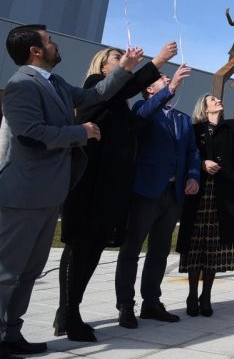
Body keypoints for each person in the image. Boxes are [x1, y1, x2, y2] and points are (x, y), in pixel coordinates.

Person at [0, 24, 137, 357]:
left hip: (49, 194)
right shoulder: (21, 85)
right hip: (23, 195)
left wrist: (125, 68)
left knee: (30, 271)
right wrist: (82, 131)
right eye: (49, 41)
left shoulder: (57, 83)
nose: (55, 45)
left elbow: (95, 95)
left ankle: (11, 334)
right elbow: (31, 134)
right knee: (7, 271)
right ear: (35, 51)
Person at [54, 42, 178, 341]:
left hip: (109, 185)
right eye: (116, 57)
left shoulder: (117, 102)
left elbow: (136, 121)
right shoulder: (96, 85)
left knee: (92, 248)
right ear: (102, 66)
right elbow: (127, 87)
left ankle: (69, 311)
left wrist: (167, 91)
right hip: (90, 182)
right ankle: (69, 313)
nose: (124, 59)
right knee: (78, 245)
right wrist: (157, 62)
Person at [114, 65, 200, 329]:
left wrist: (193, 175)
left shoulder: (183, 119)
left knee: (160, 251)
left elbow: (193, 151)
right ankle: (126, 305)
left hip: (173, 194)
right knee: (132, 248)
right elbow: (141, 118)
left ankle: (151, 301)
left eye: (166, 78)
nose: (165, 78)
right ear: (149, 89)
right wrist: (171, 88)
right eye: (160, 79)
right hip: (146, 190)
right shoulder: (142, 110)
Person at [177, 88, 234, 317]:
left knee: (214, 247)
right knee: (195, 245)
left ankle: (206, 296)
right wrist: (202, 164)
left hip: (223, 194)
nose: (218, 100)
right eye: (213, 99)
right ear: (204, 107)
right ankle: (192, 294)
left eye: (218, 99)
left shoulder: (230, 127)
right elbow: (186, 154)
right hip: (199, 193)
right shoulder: (194, 129)